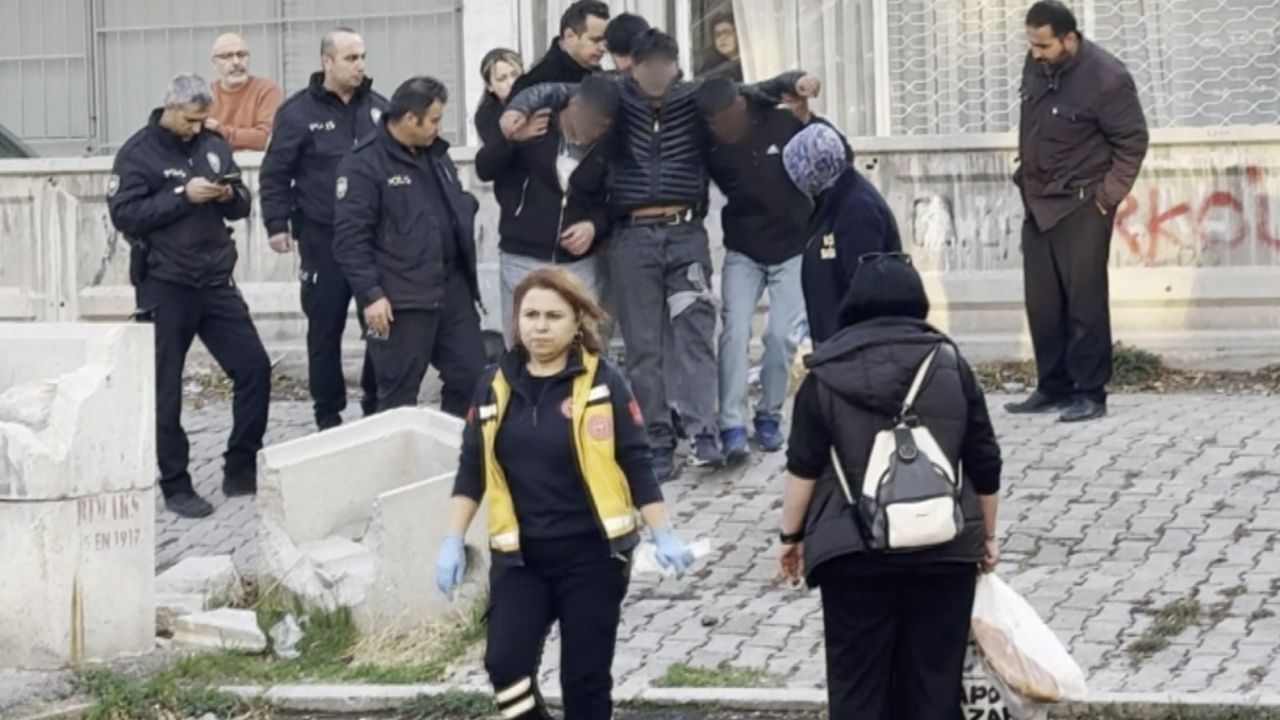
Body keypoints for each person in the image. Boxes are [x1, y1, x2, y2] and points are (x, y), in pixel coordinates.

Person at [502, 29, 817, 478]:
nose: (654, 78)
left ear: (674, 67)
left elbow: (758, 90)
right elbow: (552, 90)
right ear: (635, 68)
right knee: (643, 347)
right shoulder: (617, 96)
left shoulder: (693, 98)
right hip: (632, 238)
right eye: (646, 69)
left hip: (685, 233)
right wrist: (516, 109)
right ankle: (656, 441)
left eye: (662, 69)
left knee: (695, 333)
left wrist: (797, 81)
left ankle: (704, 432)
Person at [435, 266, 693, 720]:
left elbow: (636, 462)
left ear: (577, 322)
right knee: (505, 666)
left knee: (584, 679)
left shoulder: (603, 383)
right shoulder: (492, 385)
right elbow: (471, 468)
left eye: (553, 316)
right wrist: (452, 538)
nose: (540, 326)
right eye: (530, 315)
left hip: (593, 557)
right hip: (520, 560)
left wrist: (663, 532)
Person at [777, 253, 1002, 720]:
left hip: (852, 554)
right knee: (934, 691)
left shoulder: (823, 376)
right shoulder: (950, 365)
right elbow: (985, 460)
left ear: (853, 305)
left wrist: (790, 537)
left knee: (858, 690)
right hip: (943, 548)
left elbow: (802, 468)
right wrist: (989, 535)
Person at [108, 74, 270, 519]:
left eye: (203, 120)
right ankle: (176, 483)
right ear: (170, 108)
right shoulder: (138, 153)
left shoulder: (212, 145)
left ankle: (241, 467)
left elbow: (242, 201)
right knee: (166, 387)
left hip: (214, 280)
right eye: (191, 120)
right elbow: (125, 214)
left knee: (254, 368)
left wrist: (226, 193)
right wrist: (183, 195)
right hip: (165, 284)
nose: (197, 128)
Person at [1006, 0, 1149, 423]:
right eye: (1031, 44)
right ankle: (1053, 386)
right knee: (1043, 303)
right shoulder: (1036, 65)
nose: (1036, 53)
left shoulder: (1107, 77)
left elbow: (1132, 142)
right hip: (1038, 201)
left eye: (1044, 45)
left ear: (1069, 38)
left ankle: (1089, 392)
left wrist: (1106, 198)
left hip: (1083, 203)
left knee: (1084, 303)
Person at [696, 77, 838, 462]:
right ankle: (732, 424)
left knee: (780, 336)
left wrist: (807, 116)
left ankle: (769, 416)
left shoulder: (782, 122)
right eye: (713, 123)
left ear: (740, 106)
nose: (722, 128)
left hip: (793, 247)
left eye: (726, 118)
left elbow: (832, 150)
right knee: (734, 332)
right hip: (743, 250)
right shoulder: (710, 144)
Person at [332, 77, 486, 417]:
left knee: (472, 376)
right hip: (400, 298)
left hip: (451, 289)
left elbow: (452, 200)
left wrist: (465, 208)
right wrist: (371, 295)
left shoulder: (436, 154)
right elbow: (350, 240)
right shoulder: (363, 164)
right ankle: (395, 453)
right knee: (398, 397)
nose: (438, 127)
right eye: (433, 120)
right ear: (409, 119)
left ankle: (452, 445)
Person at [260, 28, 386, 431]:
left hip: (373, 239)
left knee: (381, 326)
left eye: (362, 57)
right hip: (322, 237)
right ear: (327, 61)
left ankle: (376, 407)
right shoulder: (298, 113)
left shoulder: (380, 109)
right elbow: (275, 172)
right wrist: (276, 223)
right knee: (324, 329)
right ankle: (327, 416)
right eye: (350, 58)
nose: (360, 66)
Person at [478, 74, 617, 340]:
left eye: (603, 126)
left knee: (582, 344)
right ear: (574, 105)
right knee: (523, 343)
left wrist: (593, 226)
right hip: (522, 257)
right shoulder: (534, 123)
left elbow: (613, 200)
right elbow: (484, 168)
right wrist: (512, 139)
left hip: (578, 264)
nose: (594, 130)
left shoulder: (607, 146)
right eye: (590, 120)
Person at [783, 123, 901, 346]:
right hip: (836, 344)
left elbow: (864, 288)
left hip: (856, 349)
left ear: (810, 169)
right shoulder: (831, 202)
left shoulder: (857, 210)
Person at [508, 0, 609, 99]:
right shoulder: (536, 83)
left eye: (605, 41)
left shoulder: (599, 76)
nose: (603, 48)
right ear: (570, 36)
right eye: (596, 40)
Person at [207, 33, 283, 152]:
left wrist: (220, 130)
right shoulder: (206, 95)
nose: (236, 62)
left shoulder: (266, 90)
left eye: (242, 55)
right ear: (214, 63)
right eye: (227, 56)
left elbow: (265, 139)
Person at [697, 14, 743, 82]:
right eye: (718, 34)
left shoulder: (752, 61)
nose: (722, 38)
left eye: (727, 32)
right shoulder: (711, 68)